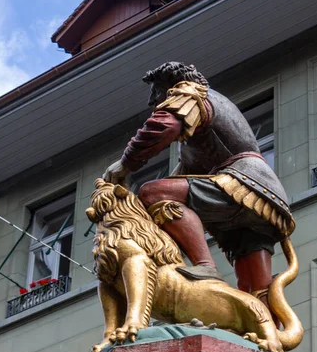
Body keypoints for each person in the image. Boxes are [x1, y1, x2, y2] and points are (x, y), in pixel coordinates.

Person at [103, 62, 295, 312]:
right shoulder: (202, 123)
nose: (152, 100)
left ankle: (206, 267)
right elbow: (181, 178)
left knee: (152, 192)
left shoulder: (190, 93)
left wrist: (125, 163)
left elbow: (164, 126)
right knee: (252, 291)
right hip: (265, 198)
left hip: (241, 182)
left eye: (155, 91)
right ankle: (268, 337)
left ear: (169, 85)